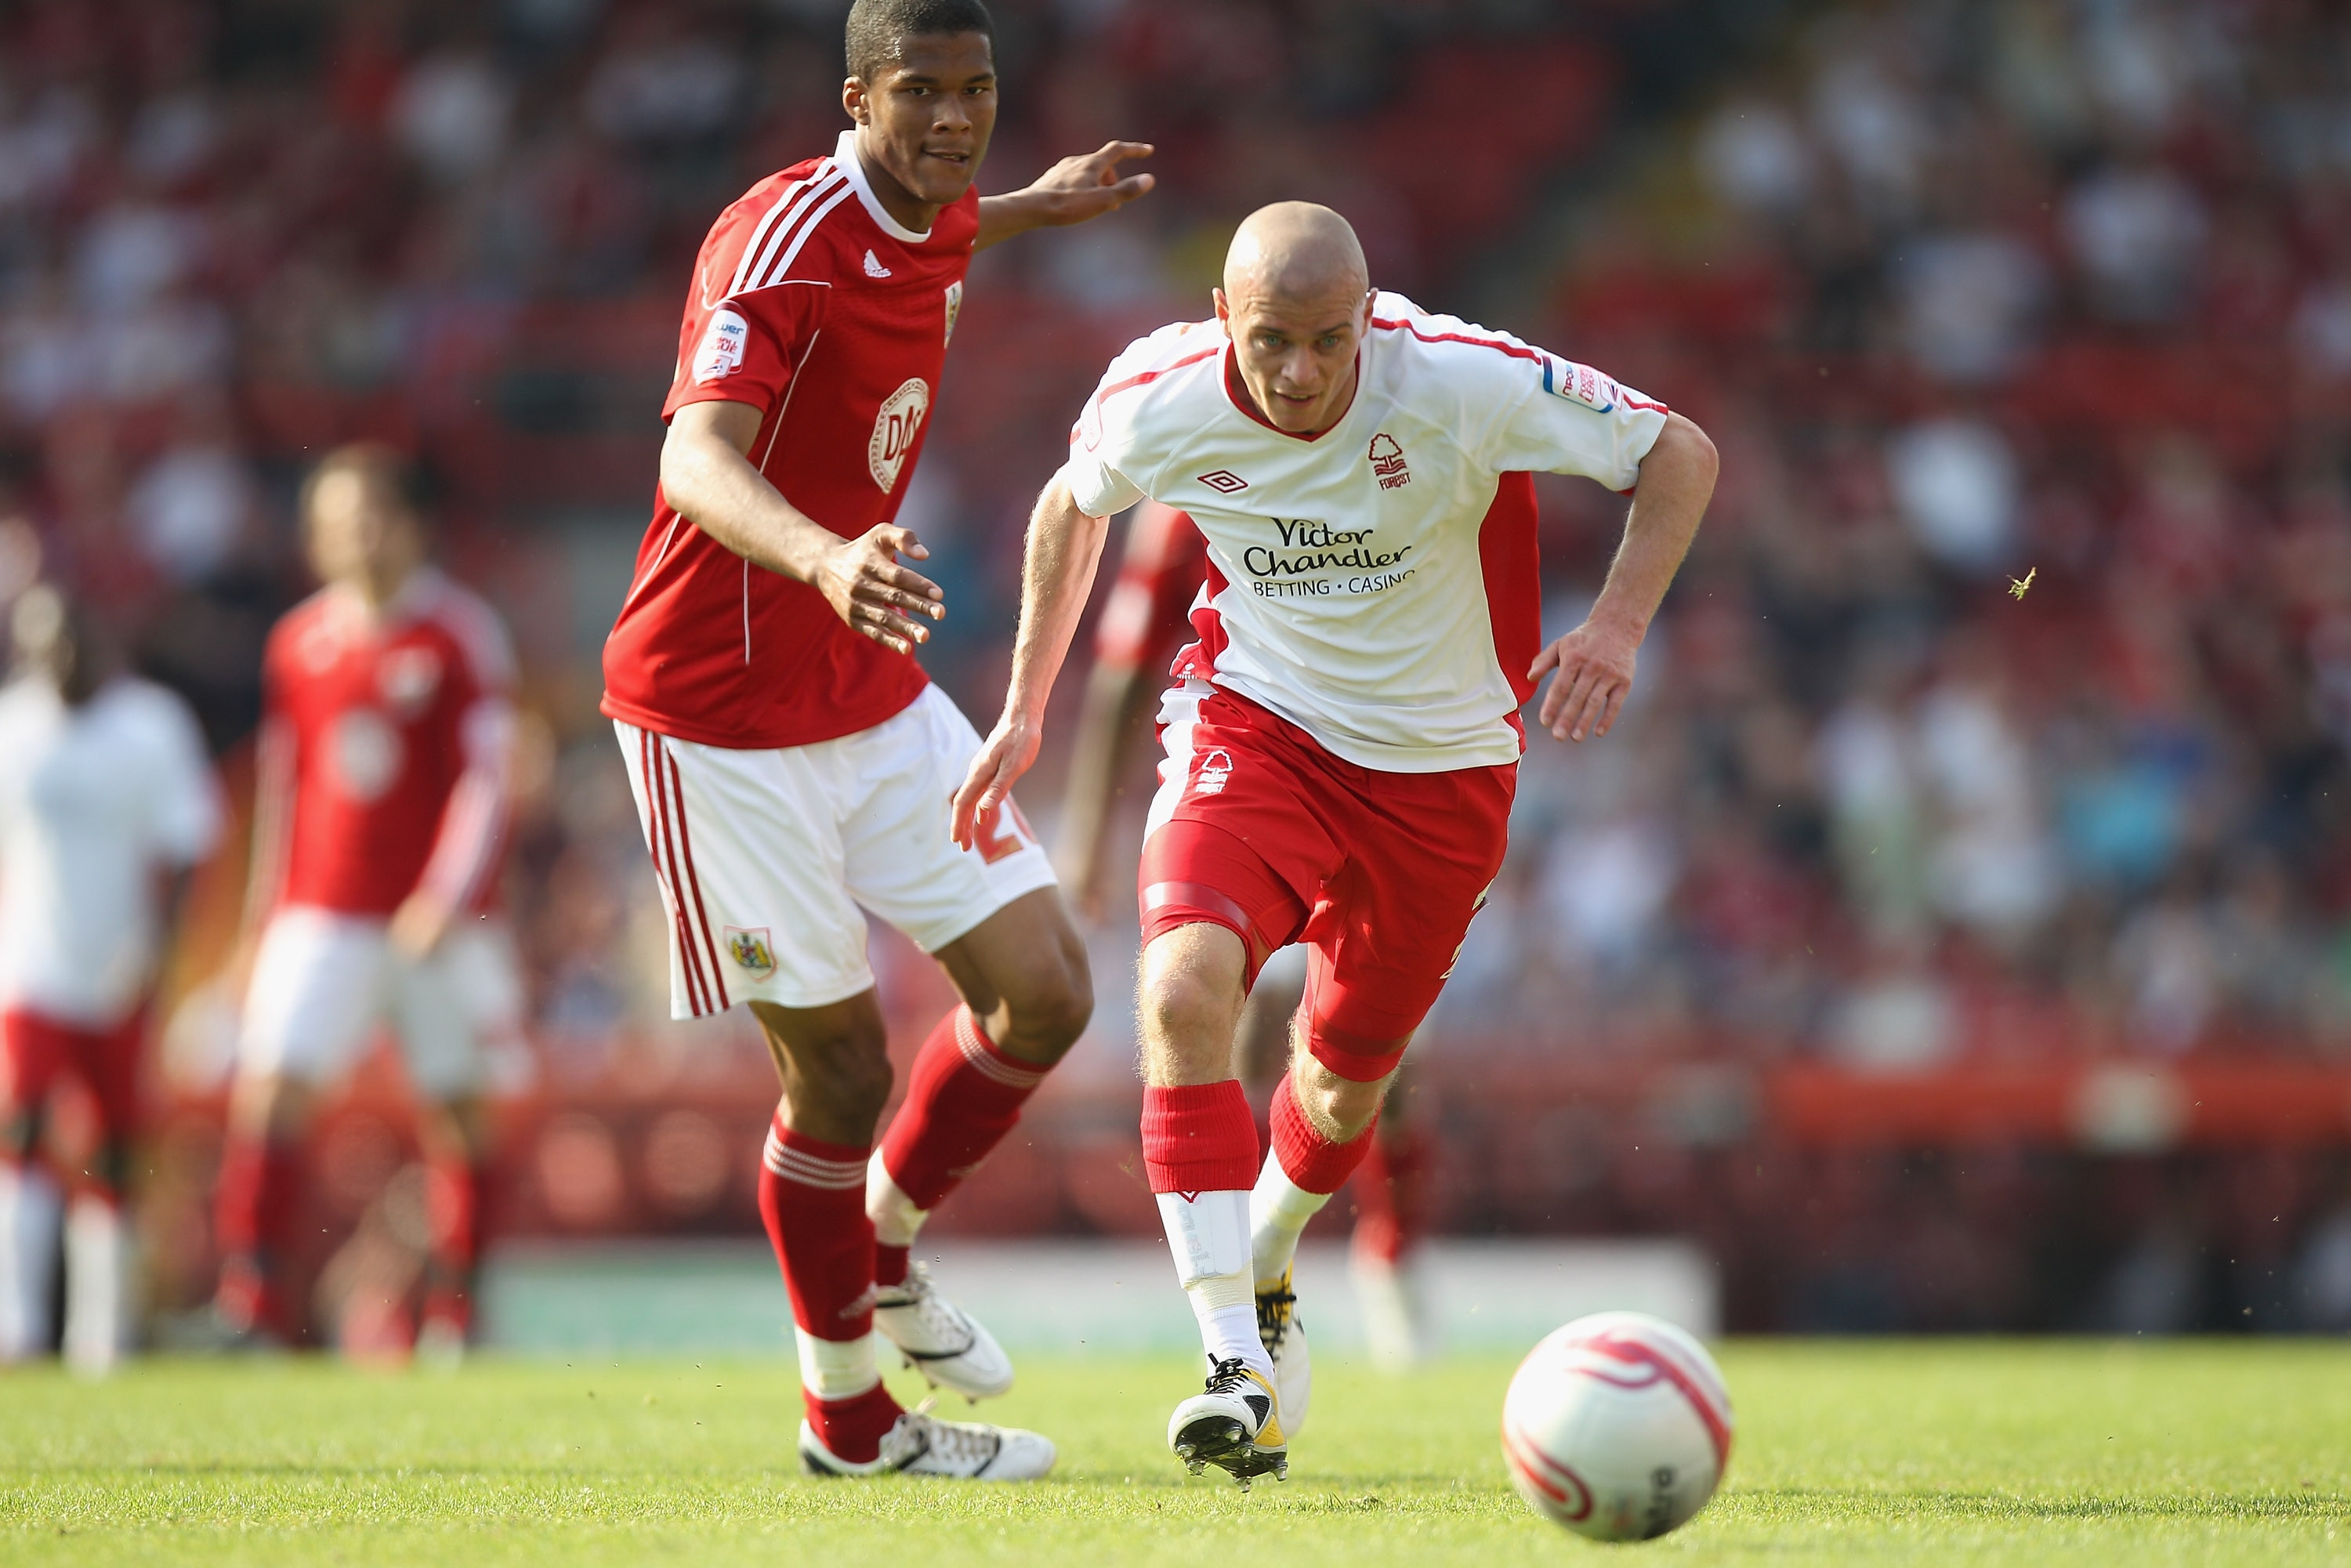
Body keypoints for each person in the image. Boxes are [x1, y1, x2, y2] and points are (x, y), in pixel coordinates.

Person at [955, 202, 1719, 1485]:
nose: (1300, 373)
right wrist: (1025, 707)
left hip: (1442, 770)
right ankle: (1227, 1359)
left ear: (1368, 320)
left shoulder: (1461, 380)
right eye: (1270, 343)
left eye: (1325, 341)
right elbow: (1067, 508)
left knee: (1346, 1087)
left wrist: (1618, 628)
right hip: (1259, 723)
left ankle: (1267, 1264)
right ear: (1222, 320)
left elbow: (1679, 451)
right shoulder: (1160, 395)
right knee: (1187, 986)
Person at [598, 0, 1153, 1482]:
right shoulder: (777, 238)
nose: (958, 118)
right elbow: (691, 454)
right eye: (923, 92)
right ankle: (849, 1422)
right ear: (859, 97)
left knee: (1046, 990)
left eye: (977, 90)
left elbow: (948, 227)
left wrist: (1049, 203)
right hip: (717, 715)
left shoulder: (942, 208)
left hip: (866, 688)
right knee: (836, 1075)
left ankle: (888, 1241)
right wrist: (827, 557)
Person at [1054, 496, 1468, 1370]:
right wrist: (1087, 836)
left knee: (1380, 1058)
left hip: (1387, 781)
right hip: (1253, 779)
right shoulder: (1191, 479)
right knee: (1226, 1027)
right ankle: (1242, 1303)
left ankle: (1386, 1247)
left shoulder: (1391, 443)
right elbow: (1125, 663)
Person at [208, 444, 522, 1362]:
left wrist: (444, 896)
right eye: (337, 519)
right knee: (268, 1092)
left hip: (431, 926)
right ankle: (253, 1303)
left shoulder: (458, 633)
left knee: (458, 1111)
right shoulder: (297, 642)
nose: (356, 533)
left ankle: (458, 1316)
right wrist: (257, 921)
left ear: (413, 521)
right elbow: (284, 788)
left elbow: (488, 781)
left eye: (372, 513)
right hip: (321, 911)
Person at [0, 585, 221, 1374]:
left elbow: (190, 843)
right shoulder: (14, 726)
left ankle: (102, 1335)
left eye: (71, 645)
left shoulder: (151, 727)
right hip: (29, 966)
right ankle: (18, 1326)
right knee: (21, 1131)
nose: (59, 662)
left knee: (113, 1148)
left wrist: (160, 951)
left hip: (119, 967)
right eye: (43, 647)